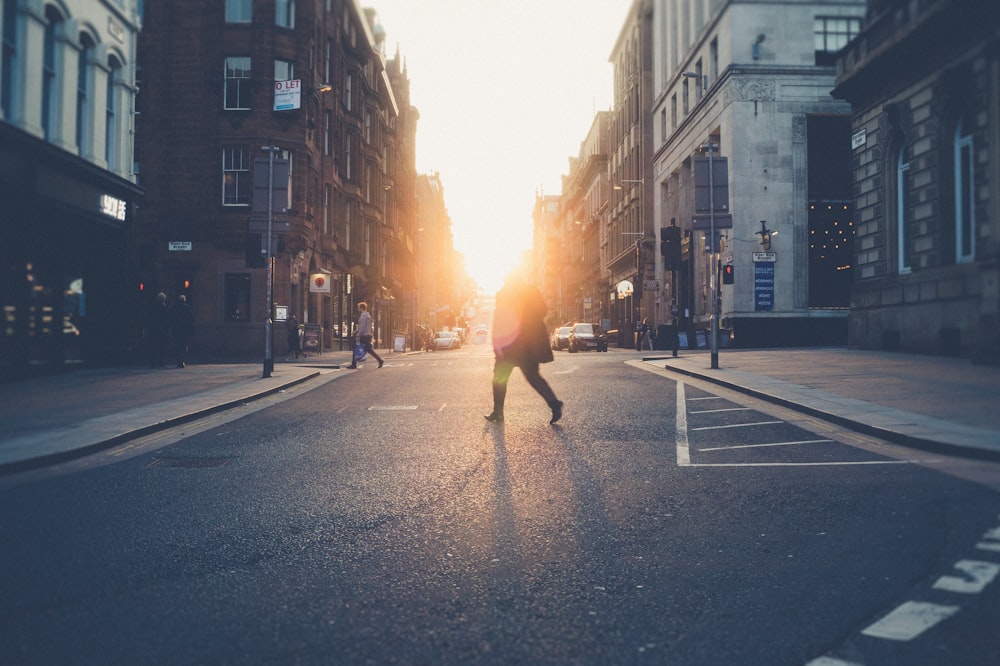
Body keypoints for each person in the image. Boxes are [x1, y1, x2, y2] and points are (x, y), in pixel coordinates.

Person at [486, 272, 563, 424]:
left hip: (510, 344)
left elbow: (500, 319)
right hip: (529, 344)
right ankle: (554, 403)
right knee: (533, 376)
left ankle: (498, 412)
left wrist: (497, 344)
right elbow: (542, 311)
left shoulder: (503, 294)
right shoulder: (531, 290)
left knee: (499, 379)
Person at [347, 301, 383, 369]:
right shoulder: (368, 316)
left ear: (361, 308)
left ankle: (353, 364)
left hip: (363, 336)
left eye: (359, 308)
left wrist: (358, 335)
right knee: (369, 350)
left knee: (355, 347)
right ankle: (380, 360)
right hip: (367, 335)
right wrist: (356, 331)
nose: (358, 309)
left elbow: (362, 327)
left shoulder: (363, 316)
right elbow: (365, 327)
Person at [170, 294, 195, 368]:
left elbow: (171, 318)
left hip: (176, 330)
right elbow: (191, 319)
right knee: (183, 346)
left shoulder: (174, 307)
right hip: (184, 330)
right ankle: (182, 360)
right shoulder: (187, 308)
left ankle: (178, 360)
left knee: (178, 345)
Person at [146, 292, 170, 368]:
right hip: (161, 330)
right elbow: (166, 320)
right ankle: (161, 362)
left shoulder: (153, 307)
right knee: (161, 347)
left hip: (154, 330)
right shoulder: (164, 307)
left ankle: (153, 362)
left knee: (154, 347)